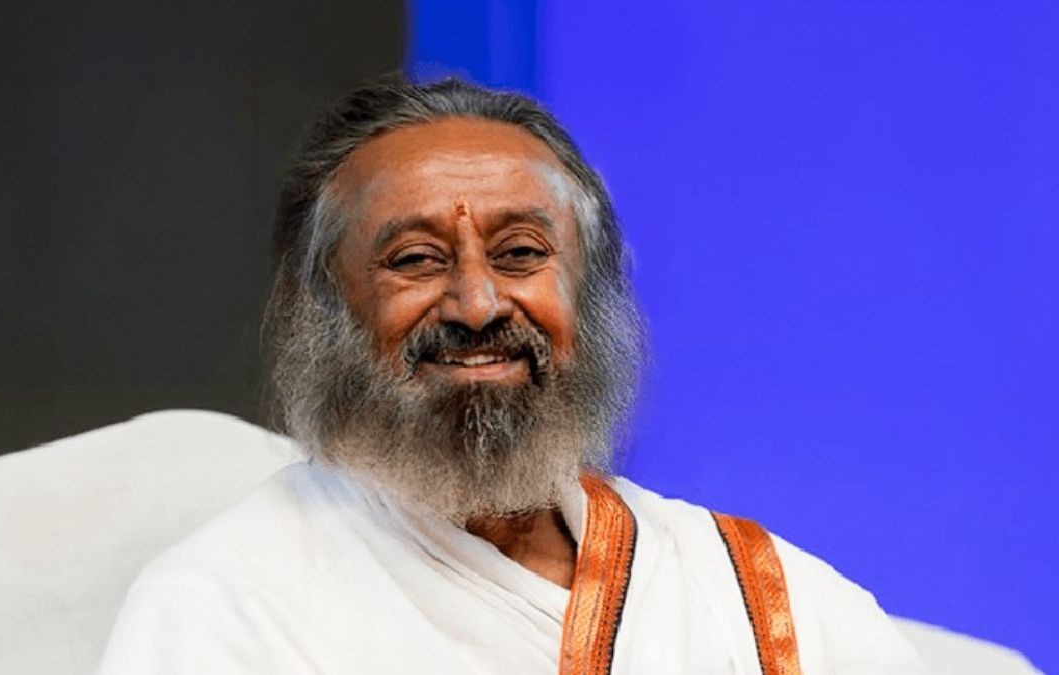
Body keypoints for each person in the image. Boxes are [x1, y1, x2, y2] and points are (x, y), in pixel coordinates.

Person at [98, 78, 928, 674]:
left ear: (586, 293)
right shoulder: (233, 602)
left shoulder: (751, 593)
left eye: (521, 253)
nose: (477, 302)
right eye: (415, 260)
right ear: (327, 310)